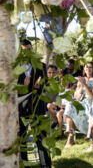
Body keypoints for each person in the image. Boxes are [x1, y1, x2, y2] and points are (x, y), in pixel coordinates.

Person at [17, 39, 51, 167]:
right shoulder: (14, 68)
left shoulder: (41, 66)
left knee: (41, 138)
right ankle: (24, 164)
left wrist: (38, 87)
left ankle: (45, 165)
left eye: (30, 50)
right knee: (21, 138)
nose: (28, 53)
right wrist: (23, 87)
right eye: (24, 51)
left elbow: (45, 85)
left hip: (37, 106)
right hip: (20, 108)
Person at [64, 62, 93, 148]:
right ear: (84, 69)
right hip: (81, 103)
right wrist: (80, 86)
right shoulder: (82, 80)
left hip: (91, 105)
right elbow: (76, 96)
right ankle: (69, 129)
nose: (88, 69)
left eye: (90, 67)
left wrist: (84, 85)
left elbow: (92, 97)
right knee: (70, 104)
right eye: (86, 67)